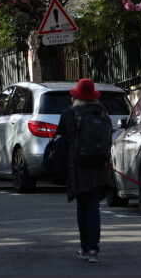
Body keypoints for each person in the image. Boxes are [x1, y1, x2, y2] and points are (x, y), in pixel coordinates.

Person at [55, 78, 113, 263]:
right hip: (99, 167)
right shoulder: (103, 113)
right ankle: (94, 249)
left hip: (78, 168)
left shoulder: (69, 114)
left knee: (82, 207)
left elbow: (60, 141)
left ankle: (84, 247)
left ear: (77, 96)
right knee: (94, 207)